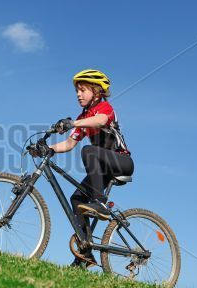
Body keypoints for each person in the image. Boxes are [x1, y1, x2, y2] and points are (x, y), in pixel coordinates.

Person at [33, 69, 134, 267]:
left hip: (122, 162)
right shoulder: (84, 116)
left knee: (89, 150)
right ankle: (86, 255)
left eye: (83, 90)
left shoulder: (104, 108)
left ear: (96, 91)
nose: (78, 94)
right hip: (103, 171)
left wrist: (72, 122)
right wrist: (47, 149)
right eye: (77, 91)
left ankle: (101, 204)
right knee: (77, 198)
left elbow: (101, 120)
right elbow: (69, 144)